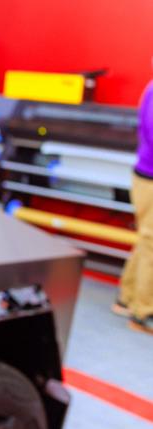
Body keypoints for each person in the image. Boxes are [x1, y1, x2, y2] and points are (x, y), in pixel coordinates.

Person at [116, 75, 153, 333]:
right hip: (150, 178)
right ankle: (144, 311)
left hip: (146, 175)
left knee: (146, 239)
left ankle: (127, 298)